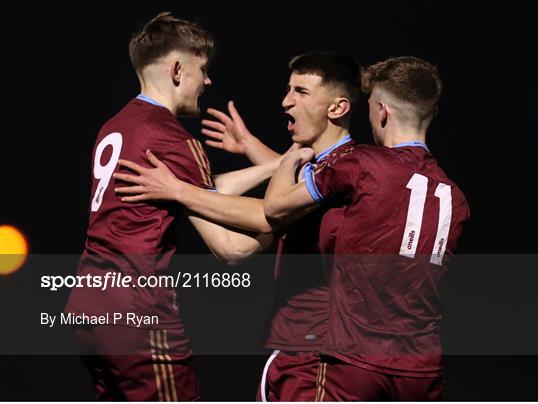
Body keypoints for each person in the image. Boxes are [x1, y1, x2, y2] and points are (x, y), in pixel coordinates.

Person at [114, 52, 362, 400]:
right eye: (288, 89)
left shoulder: (345, 168)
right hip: (300, 344)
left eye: (301, 92)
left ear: (336, 109)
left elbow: (268, 213)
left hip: (318, 349)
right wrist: (249, 147)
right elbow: (292, 176)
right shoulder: (321, 166)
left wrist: (178, 189)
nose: (285, 101)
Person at [65, 11, 275, 401]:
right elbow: (230, 248)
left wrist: (276, 165)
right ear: (177, 68)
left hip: (88, 307)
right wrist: (290, 212)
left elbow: (202, 191)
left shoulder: (115, 125)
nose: (208, 81)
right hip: (138, 311)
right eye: (203, 69)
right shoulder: (173, 139)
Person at [261, 56, 470, 400]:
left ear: (382, 112)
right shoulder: (456, 199)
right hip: (421, 371)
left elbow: (275, 206)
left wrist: (290, 158)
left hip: (354, 362)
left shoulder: (361, 163)